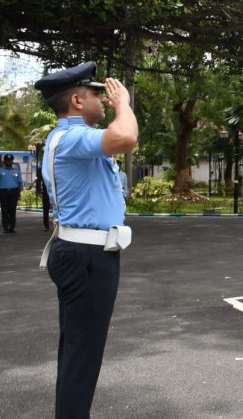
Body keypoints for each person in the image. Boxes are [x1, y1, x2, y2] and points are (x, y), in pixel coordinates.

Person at [35, 61, 138, 418]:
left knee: (78, 351)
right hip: (88, 257)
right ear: (77, 100)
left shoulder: (64, 138)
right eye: (97, 94)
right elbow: (126, 137)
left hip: (80, 253)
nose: (104, 99)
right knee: (83, 355)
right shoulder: (76, 138)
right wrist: (124, 104)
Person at [0, 154, 22, 233]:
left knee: (12, 210)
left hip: (14, 191)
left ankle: (12, 227)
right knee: (4, 210)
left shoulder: (16, 171)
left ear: (12, 161)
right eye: (7, 160)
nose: (9, 162)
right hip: (3, 192)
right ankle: (5, 227)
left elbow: (19, 183)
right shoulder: (1, 170)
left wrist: (19, 193)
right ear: (4, 161)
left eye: (10, 160)